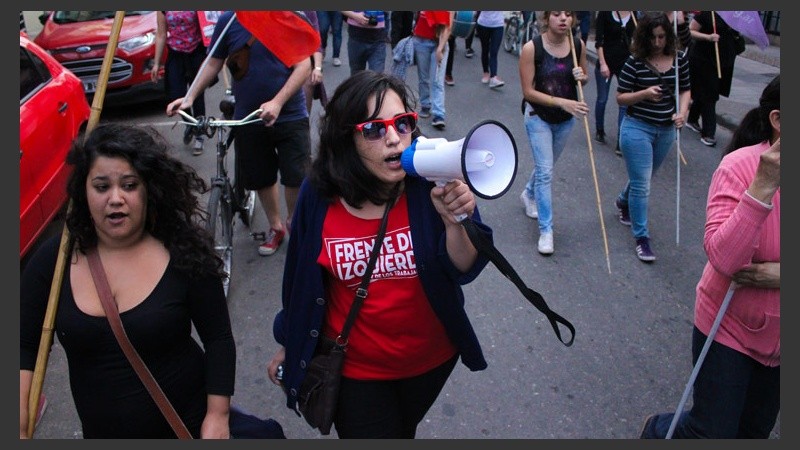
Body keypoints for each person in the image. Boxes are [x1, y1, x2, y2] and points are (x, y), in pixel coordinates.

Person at [266, 70, 494, 438]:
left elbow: (463, 267)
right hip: (357, 371)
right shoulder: (318, 194)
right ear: (346, 138)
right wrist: (289, 341)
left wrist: (455, 221)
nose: (393, 138)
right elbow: (298, 279)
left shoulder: (431, 179)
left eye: (402, 124)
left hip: (431, 362)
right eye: (373, 129)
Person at [20, 124, 236, 438]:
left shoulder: (184, 251)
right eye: (101, 186)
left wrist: (218, 415)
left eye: (129, 185)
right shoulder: (53, 262)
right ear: (83, 192)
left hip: (187, 427)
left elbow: (218, 338)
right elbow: (23, 345)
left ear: (148, 189)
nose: (116, 198)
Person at [640, 74, 780, 439]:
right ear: (778, 120)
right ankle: (658, 430)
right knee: (711, 432)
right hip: (729, 324)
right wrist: (762, 187)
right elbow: (726, 260)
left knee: (753, 432)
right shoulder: (740, 167)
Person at [166, 11, 312, 257]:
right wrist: (189, 97)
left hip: (290, 114)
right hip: (248, 116)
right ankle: (275, 227)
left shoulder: (286, 16)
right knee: (261, 176)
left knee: (295, 176)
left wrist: (277, 102)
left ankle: (294, 222)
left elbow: (303, 65)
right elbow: (213, 62)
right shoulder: (229, 21)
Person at [614, 11, 691, 262]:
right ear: (644, 38)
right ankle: (642, 238)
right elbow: (621, 97)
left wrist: (682, 113)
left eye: (662, 37)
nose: (657, 43)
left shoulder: (679, 59)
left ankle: (623, 201)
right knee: (642, 185)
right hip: (637, 127)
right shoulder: (634, 62)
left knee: (643, 178)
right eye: (653, 37)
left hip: (666, 129)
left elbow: (685, 90)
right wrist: (644, 94)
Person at [517, 11, 589, 255]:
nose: (563, 19)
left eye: (568, 14)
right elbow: (528, 92)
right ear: (546, 18)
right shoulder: (531, 48)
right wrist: (562, 102)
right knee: (546, 172)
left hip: (565, 120)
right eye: (557, 13)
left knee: (545, 167)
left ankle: (528, 193)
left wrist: (582, 77)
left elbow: (584, 78)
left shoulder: (577, 45)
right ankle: (546, 231)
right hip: (538, 117)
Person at [152, 11, 209, 156]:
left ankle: (199, 135)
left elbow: (207, 26)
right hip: (175, 55)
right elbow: (161, 34)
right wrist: (156, 63)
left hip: (196, 52)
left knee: (197, 94)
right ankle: (190, 124)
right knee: (176, 94)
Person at [686, 11, 739, 147]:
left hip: (722, 62)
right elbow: (690, 31)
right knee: (710, 95)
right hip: (703, 60)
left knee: (704, 91)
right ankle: (708, 133)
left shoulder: (733, 18)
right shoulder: (707, 13)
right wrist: (708, 37)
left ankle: (692, 119)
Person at [593, 11, 636, 155]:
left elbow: (635, 39)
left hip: (625, 63)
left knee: (624, 103)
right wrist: (603, 64)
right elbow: (599, 41)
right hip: (606, 60)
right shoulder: (605, 13)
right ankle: (599, 130)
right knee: (602, 98)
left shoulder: (634, 14)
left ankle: (620, 139)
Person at [412, 10, 453, 129]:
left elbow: (448, 26)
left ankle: (439, 114)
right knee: (423, 77)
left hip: (439, 42)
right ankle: (425, 104)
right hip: (420, 40)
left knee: (437, 80)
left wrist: (440, 48)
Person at [341, 11, 389, 76]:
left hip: (378, 39)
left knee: (377, 77)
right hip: (356, 38)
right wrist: (355, 16)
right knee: (357, 76)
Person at [301, 11, 326, 116]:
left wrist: (317, 68)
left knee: (303, 115)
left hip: (302, 64)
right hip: (276, 66)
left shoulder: (308, 12)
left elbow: (316, 42)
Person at [475, 11, 506, 89]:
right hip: (483, 24)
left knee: (494, 52)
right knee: (485, 49)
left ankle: (493, 77)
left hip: (498, 25)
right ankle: (486, 72)